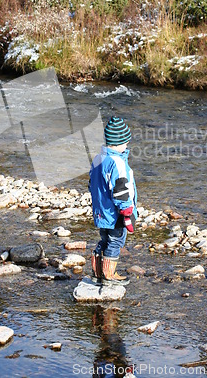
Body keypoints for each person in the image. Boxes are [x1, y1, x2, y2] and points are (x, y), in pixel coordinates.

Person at [89, 116, 137, 286]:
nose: (127, 146)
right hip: (115, 212)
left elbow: (91, 185)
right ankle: (109, 275)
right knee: (116, 240)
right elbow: (121, 189)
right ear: (118, 142)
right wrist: (126, 211)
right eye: (126, 142)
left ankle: (97, 273)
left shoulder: (98, 159)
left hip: (100, 211)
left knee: (104, 240)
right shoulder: (117, 162)